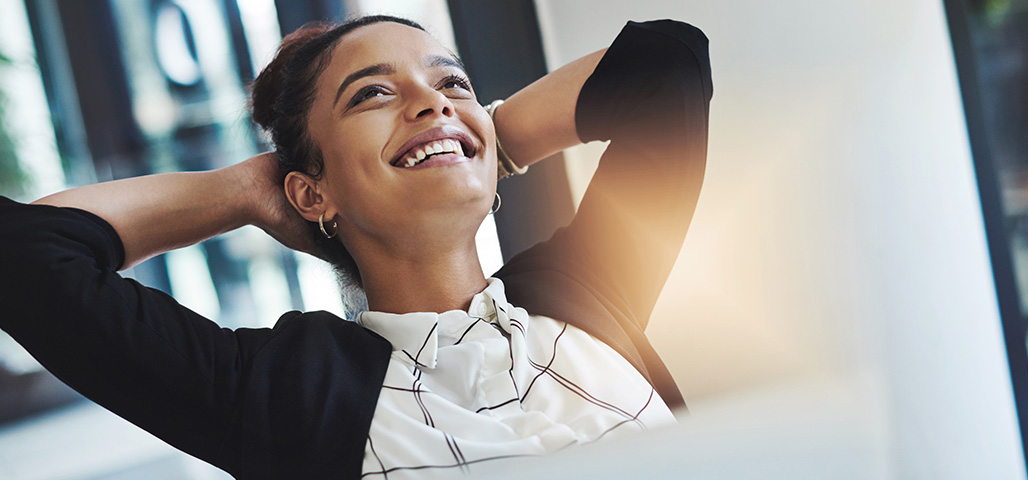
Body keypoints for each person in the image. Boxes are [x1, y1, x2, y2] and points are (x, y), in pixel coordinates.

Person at [0, 14, 711, 480]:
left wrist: (479, 140)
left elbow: (666, 64)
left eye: (450, 82)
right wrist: (244, 190)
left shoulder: (585, 292)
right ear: (311, 193)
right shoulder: (286, 393)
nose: (430, 100)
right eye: (372, 94)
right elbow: (25, 259)